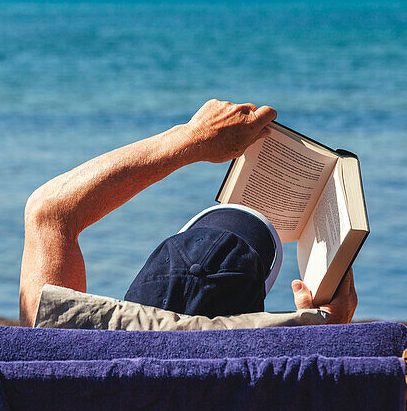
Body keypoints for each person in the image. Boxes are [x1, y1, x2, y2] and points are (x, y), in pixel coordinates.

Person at [19, 99, 357, 327]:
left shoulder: (65, 358)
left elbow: (49, 211)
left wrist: (191, 138)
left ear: (132, 298)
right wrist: (326, 328)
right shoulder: (285, 393)